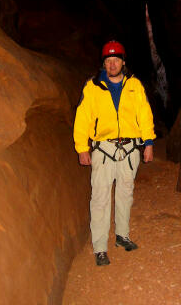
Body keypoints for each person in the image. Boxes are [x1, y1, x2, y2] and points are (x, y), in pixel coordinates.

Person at [73, 40, 156, 266]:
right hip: (103, 149)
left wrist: (148, 143)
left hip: (130, 149)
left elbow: (145, 114)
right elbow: (82, 119)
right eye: (108, 61)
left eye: (116, 60)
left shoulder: (135, 85)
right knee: (99, 198)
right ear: (103, 63)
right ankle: (100, 247)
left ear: (123, 62)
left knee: (125, 194)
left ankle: (122, 236)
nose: (112, 64)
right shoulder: (92, 87)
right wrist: (82, 148)